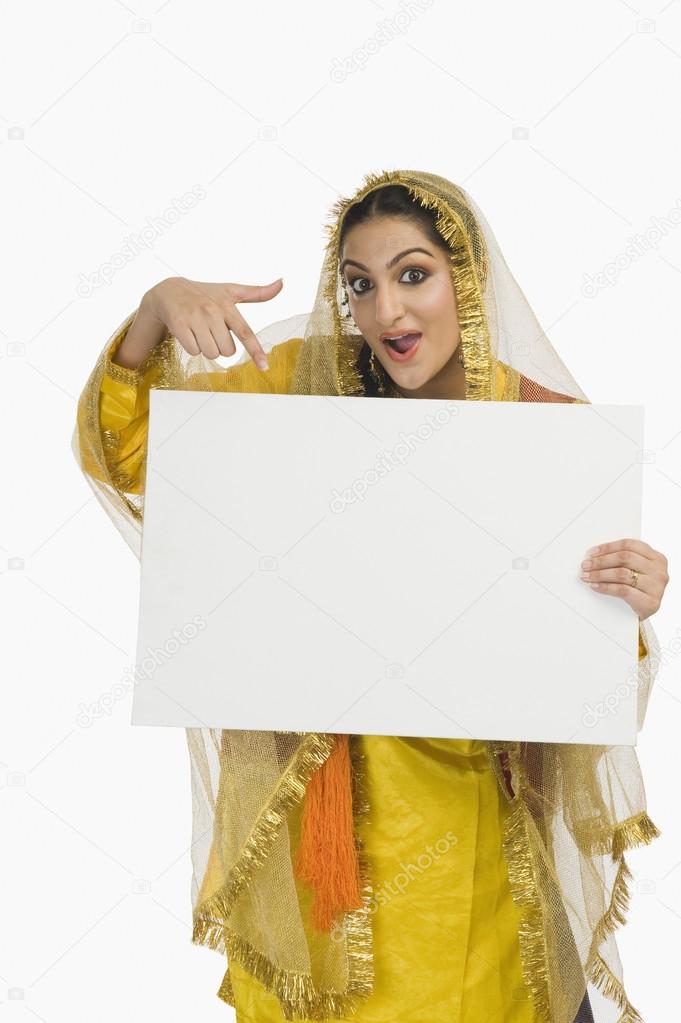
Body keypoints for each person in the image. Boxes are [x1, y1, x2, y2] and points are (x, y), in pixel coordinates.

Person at [72, 169, 669, 1023]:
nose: (385, 310)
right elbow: (125, 453)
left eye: (413, 274)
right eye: (359, 283)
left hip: (473, 852)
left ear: (465, 277)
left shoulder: (544, 429)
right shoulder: (294, 390)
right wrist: (153, 311)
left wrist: (626, 607)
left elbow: (574, 679)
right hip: (318, 852)